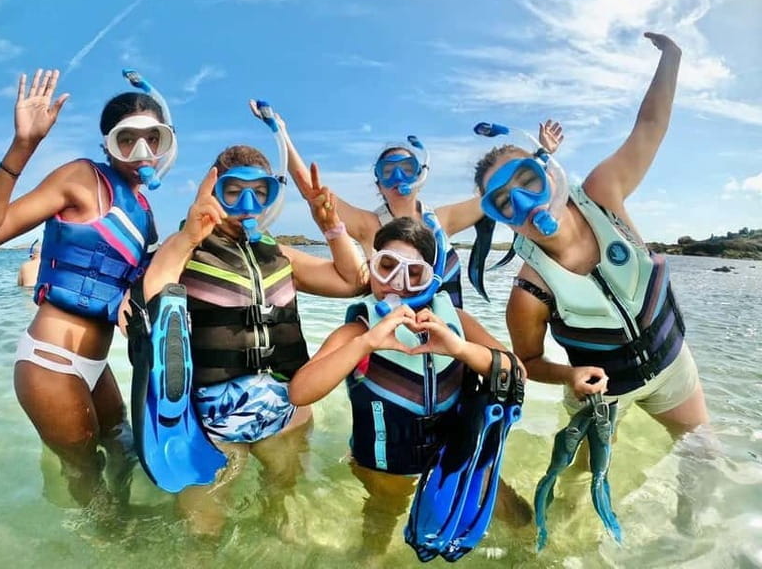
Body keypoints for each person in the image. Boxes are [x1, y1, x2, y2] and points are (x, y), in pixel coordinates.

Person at [470, 32, 710, 532]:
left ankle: (690, 544)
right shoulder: (529, 290)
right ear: (500, 218)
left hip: (670, 368)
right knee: (580, 480)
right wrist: (569, 377)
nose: (525, 206)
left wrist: (672, 58)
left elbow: (650, 126)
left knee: (703, 454)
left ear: (546, 174)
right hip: (600, 394)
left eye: (527, 183)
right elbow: (530, 363)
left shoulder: (603, 195)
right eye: (504, 203)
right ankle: (552, 546)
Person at [131, 144, 367, 538]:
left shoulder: (280, 255)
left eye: (260, 193)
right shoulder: (189, 251)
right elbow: (152, 294)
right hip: (215, 422)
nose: (247, 203)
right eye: (233, 191)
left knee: (284, 510)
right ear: (212, 190)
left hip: (287, 414)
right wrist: (189, 236)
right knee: (204, 531)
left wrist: (331, 227)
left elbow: (352, 281)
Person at [0, 68, 175, 508]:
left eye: (152, 139)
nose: (141, 151)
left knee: (125, 450)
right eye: (127, 139)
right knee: (85, 474)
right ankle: (105, 542)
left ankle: (129, 530)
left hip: (96, 366)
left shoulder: (142, 209)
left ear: (164, 144)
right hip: (51, 362)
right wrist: (24, 146)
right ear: (107, 144)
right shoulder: (82, 178)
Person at [288, 217, 532, 559]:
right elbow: (300, 392)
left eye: (413, 273)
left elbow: (516, 371)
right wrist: (367, 343)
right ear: (371, 269)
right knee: (377, 537)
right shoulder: (357, 333)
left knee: (516, 517)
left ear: (431, 279)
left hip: (454, 455)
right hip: (384, 466)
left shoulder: (456, 322)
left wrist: (460, 349)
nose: (397, 284)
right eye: (386, 267)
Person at [250, 101, 565, 308]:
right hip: (393, 336)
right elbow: (312, 189)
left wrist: (542, 157)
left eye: (406, 168)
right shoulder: (369, 225)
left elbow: (504, 193)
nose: (398, 176)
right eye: (387, 172)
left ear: (421, 175)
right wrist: (282, 134)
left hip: (448, 338)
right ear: (378, 185)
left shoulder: (443, 219)